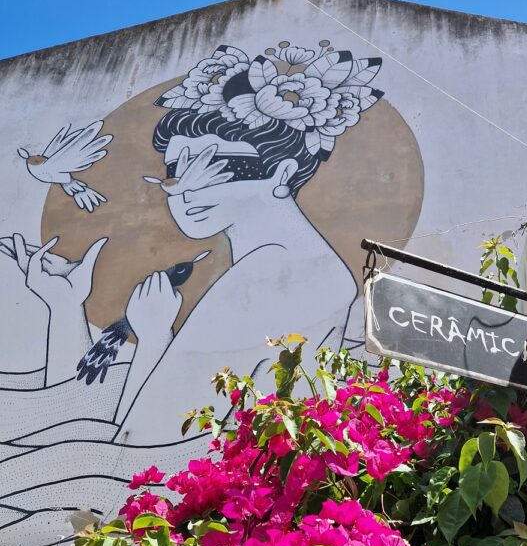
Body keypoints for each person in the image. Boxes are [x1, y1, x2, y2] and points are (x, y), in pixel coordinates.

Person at [3, 41, 384, 445]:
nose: (180, 190)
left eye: (209, 166)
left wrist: (153, 337)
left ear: (281, 173)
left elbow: (141, 445)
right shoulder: (304, 266)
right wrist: (66, 308)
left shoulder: (275, 276)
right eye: (172, 170)